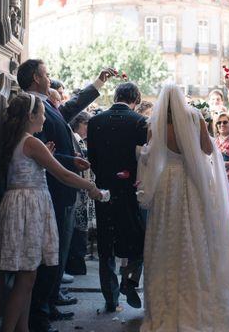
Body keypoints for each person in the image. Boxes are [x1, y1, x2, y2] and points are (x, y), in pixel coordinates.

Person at [136, 84, 229, 331]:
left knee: (165, 237)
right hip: (190, 180)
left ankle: (163, 306)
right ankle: (197, 301)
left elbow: (148, 155)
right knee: (194, 233)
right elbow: (208, 149)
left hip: (167, 182)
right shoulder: (193, 117)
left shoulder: (153, 123)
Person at [0, 94, 102, 332]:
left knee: (27, 277)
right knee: (27, 277)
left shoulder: (21, 140)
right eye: (41, 113)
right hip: (29, 206)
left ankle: (23, 328)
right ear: (31, 117)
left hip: (21, 204)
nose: (44, 117)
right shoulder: (31, 142)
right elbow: (63, 174)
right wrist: (91, 187)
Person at [17, 59, 115, 330]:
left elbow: (69, 109)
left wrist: (97, 84)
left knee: (56, 252)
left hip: (58, 189)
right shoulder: (32, 105)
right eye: (46, 74)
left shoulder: (45, 104)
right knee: (49, 255)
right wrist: (70, 161)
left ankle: (49, 303)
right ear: (36, 78)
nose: (50, 78)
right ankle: (40, 314)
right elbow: (38, 151)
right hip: (51, 188)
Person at [86, 82, 149, 313]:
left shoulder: (94, 122)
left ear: (116, 96)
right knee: (138, 242)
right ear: (135, 99)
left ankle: (111, 299)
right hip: (130, 190)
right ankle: (129, 280)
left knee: (105, 245)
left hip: (103, 190)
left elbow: (92, 157)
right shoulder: (138, 121)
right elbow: (146, 157)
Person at [66, 111, 94, 276]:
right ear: (79, 123)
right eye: (86, 124)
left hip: (81, 190)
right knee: (77, 228)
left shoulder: (80, 140)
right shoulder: (76, 139)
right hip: (78, 190)